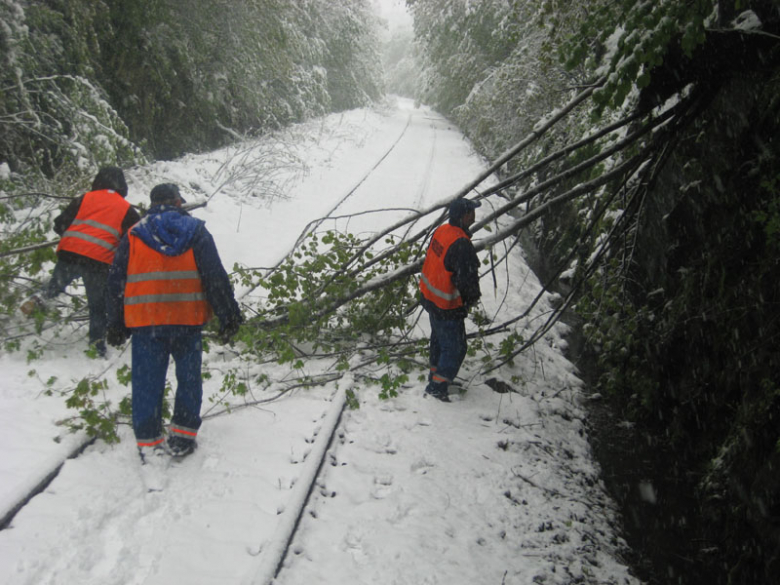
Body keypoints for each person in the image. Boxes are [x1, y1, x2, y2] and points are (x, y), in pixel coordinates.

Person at [105, 183, 242, 465]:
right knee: (189, 378)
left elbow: (116, 283)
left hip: (146, 322)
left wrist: (115, 323)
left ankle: (149, 441)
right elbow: (214, 277)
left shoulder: (133, 234)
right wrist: (229, 317)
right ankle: (182, 435)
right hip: (186, 319)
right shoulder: (196, 231)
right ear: (179, 202)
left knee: (146, 382)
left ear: (152, 204)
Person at [20, 166, 141, 357]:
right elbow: (133, 240)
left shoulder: (84, 198)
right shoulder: (126, 209)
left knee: (56, 285)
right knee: (97, 307)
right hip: (98, 261)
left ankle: (39, 298)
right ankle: (97, 347)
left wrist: (74, 240)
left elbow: (60, 223)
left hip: (70, 252)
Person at [419, 198, 482, 402]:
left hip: (430, 298)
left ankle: (436, 377)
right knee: (455, 348)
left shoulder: (442, 231)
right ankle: (438, 386)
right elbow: (467, 280)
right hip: (447, 306)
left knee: (439, 341)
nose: (474, 215)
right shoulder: (461, 244)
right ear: (464, 216)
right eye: (472, 211)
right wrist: (470, 300)